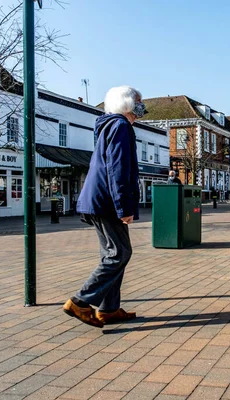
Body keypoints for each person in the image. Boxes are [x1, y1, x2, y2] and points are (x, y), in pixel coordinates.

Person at [63, 86, 145, 328]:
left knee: (112, 254)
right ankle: (80, 301)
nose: (142, 107)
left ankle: (109, 309)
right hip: (106, 202)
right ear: (128, 104)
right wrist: (123, 207)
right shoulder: (121, 126)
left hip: (99, 201)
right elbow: (117, 169)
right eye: (139, 101)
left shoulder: (110, 126)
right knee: (119, 253)